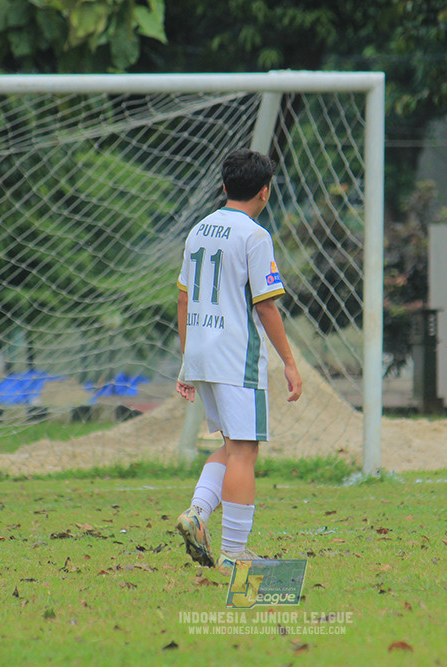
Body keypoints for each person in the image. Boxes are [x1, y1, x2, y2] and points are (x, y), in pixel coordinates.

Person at [174, 149, 302, 573]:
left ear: (225, 186)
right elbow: (266, 307)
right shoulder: (254, 235)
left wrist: (186, 356)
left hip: (201, 351)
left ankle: (196, 513)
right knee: (245, 451)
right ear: (265, 192)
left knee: (230, 447)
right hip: (236, 356)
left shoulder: (198, 229)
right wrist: (289, 361)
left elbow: (183, 294)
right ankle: (233, 553)